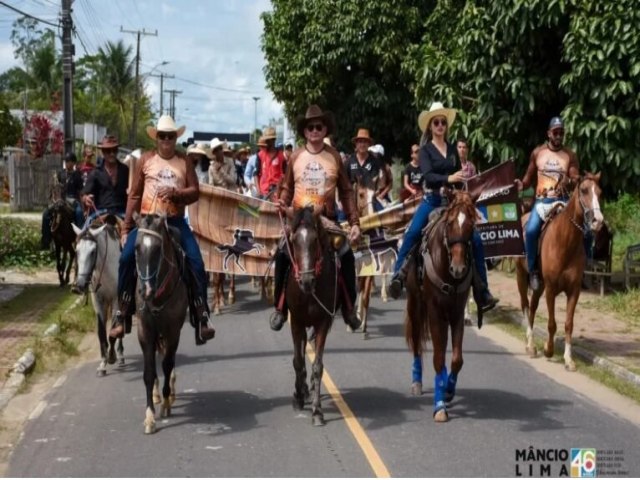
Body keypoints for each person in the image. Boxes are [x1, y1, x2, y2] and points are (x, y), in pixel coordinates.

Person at [108, 115, 215, 345]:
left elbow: (195, 191)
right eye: (163, 136)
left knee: (196, 262)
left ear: (176, 138)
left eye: (171, 136)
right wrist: (127, 227)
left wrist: (176, 194)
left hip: (174, 222)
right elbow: (135, 194)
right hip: (147, 222)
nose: (166, 140)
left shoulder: (184, 161)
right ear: (156, 138)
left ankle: (201, 313)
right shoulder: (145, 160)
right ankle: (122, 313)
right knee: (126, 258)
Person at [387, 102, 499, 313]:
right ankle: (397, 277)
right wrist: (450, 177)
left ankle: (482, 292)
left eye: (443, 122)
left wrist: (460, 186)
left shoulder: (453, 150)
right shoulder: (425, 151)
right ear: (430, 126)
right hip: (431, 201)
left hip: (452, 202)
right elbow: (428, 176)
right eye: (436, 122)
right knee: (411, 234)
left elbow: (459, 178)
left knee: (475, 238)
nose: (440, 125)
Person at [269, 104, 362, 332]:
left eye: (318, 126)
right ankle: (280, 308)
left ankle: (349, 309)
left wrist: (355, 222)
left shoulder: (335, 157)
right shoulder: (296, 157)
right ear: (305, 131)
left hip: (326, 220)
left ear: (325, 129)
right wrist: (282, 200)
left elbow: (347, 191)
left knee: (347, 255)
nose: (314, 130)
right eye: (310, 127)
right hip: (299, 220)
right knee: (282, 253)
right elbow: (287, 187)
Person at [515, 116, 580, 291]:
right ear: (549, 133)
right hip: (542, 202)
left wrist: (570, 180)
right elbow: (528, 179)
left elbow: (575, 177)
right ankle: (533, 271)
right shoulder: (538, 153)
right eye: (556, 132)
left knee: (584, 230)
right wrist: (521, 184)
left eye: (562, 132)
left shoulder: (570, 155)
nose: (559, 135)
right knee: (531, 230)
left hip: (564, 203)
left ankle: (580, 267)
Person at [80, 135, 129, 225]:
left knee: (137, 235)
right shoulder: (95, 173)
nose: (112, 153)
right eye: (108, 151)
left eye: (114, 150)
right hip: (100, 213)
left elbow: (134, 192)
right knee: (84, 234)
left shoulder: (125, 170)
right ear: (103, 152)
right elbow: (83, 194)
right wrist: (86, 198)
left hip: (122, 213)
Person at [40, 151, 84, 250]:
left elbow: (81, 191)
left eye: (70, 161)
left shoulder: (77, 175)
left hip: (73, 199)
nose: (68, 163)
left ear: (74, 163)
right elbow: (55, 188)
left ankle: (80, 237)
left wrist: (82, 202)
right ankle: (46, 240)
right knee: (46, 214)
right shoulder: (60, 173)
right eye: (67, 161)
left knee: (79, 212)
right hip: (60, 199)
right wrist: (53, 197)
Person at [345, 129, 388, 212]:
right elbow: (343, 181)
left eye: (365, 142)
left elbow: (378, 181)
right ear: (356, 144)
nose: (362, 144)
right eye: (360, 142)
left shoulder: (375, 162)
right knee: (340, 218)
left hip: (371, 198)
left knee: (383, 214)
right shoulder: (349, 161)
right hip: (351, 198)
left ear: (368, 144)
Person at [256, 126, 285, 199]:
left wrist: (280, 189)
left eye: (269, 140)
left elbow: (285, 175)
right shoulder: (260, 155)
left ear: (273, 140)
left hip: (277, 192)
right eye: (266, 140)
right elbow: (256, 174)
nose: (267, 142)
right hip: (263, 192)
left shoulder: (281, 156)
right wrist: (258, 190)